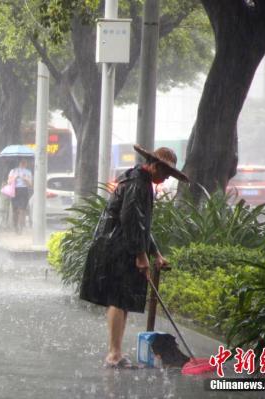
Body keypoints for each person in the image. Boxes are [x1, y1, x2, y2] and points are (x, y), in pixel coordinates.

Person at [79, 145, 189, 369]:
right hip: (117, 248)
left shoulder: (141, 181)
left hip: (121, 245)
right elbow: (131, 221)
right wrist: (141, 255)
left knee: (123, 300)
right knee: (119, 300)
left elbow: (142, 225)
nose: (166, 178)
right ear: (155, 166)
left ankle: (116, 351)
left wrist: (155, 253)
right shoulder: (138, 184)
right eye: (165, 173)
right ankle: (114, 354)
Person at [8, 158, 33, 234]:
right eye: (22, 162)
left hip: (24, 190)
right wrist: (14, 178)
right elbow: (9, 182)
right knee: (15, 210)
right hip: (15, 190)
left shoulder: (28, 172)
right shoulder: (13, 171)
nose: (23, 163)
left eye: (25, 162)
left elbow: (30, 185)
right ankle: (15, 226)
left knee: (22, 210)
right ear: (19, 162)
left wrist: (25, 179)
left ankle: (20, 227)